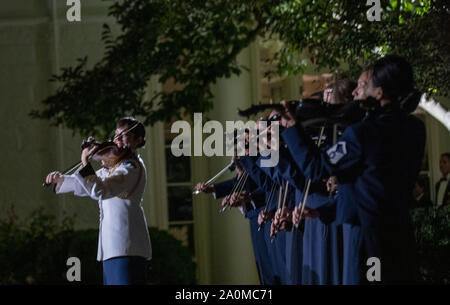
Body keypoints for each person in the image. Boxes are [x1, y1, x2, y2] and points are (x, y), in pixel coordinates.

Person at [281, 55, 426, 284]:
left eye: (362, 86)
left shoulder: (362, 133)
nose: (356, 94)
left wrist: (291, 129)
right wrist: (323, 211)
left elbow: (315, 167)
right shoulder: (416, 128)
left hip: (372, 242)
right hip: (402, 238)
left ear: (379, 92)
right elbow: (369, 184)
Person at [45, 117, 152, 285]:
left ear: (138, 140)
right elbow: (84, 185)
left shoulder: (131, 167)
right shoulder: (114, 167)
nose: (117, 139)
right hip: (111, 248)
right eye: (116, 134)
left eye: (124, 136)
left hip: (127, 246)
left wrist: (85, 162)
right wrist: (60, 180)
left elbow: (100, 190)